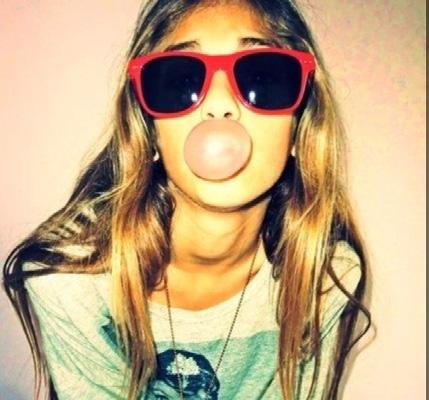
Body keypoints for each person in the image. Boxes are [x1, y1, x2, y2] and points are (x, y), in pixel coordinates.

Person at [3, 0, 372, 399]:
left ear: (299, 127)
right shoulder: (70, 282)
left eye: (262, 77)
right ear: (150, 132)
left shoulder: (325, 281)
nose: (220, 105)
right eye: (179, 81)